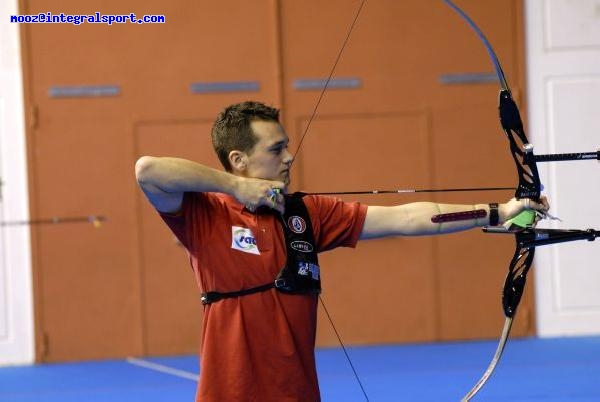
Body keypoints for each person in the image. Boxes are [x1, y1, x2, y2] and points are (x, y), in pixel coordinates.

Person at [135, 101, 550, 402]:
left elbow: (406, 218)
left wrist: (498, 211)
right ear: (238, 160)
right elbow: (148, 170)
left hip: (297, 393)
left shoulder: (305, 213)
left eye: (287, 146)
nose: (289, 156)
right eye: (276, 149)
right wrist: (236, 188)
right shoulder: (204, 213)